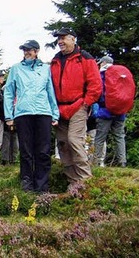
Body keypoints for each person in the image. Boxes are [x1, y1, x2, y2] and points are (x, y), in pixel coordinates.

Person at [4, 40, 59, 193]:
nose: (26, 52)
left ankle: (42, 186)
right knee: (26, 151)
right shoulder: (16, 69)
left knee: (43, 151)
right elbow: (9, 92)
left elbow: (50, 91)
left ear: (36, 51)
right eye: (24, 50)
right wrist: (9, 115)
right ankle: (27, 183)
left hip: (43, 113)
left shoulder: (46, 69)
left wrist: (55, 113)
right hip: (23, 113)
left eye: (30, 50)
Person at [50, 28, 102, 189]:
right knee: (63, 143)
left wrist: (86, 103)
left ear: (73, 39)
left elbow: (95, 84)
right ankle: (73, 182)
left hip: (79, 105)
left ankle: (85, 180)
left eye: (63, 38)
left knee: (74, 140)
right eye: (58, 39)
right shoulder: (55, 60)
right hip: (59, 108)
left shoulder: (85, 58)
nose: (60, 41)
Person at [93, 56, 128, 167]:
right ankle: (122, 162)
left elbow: (97, 93)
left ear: (103, 63)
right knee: (119, 136)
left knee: (100, 138)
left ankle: (96, 162)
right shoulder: (121, 74)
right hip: (120, 111)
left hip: (105, 111)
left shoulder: (101, 75)